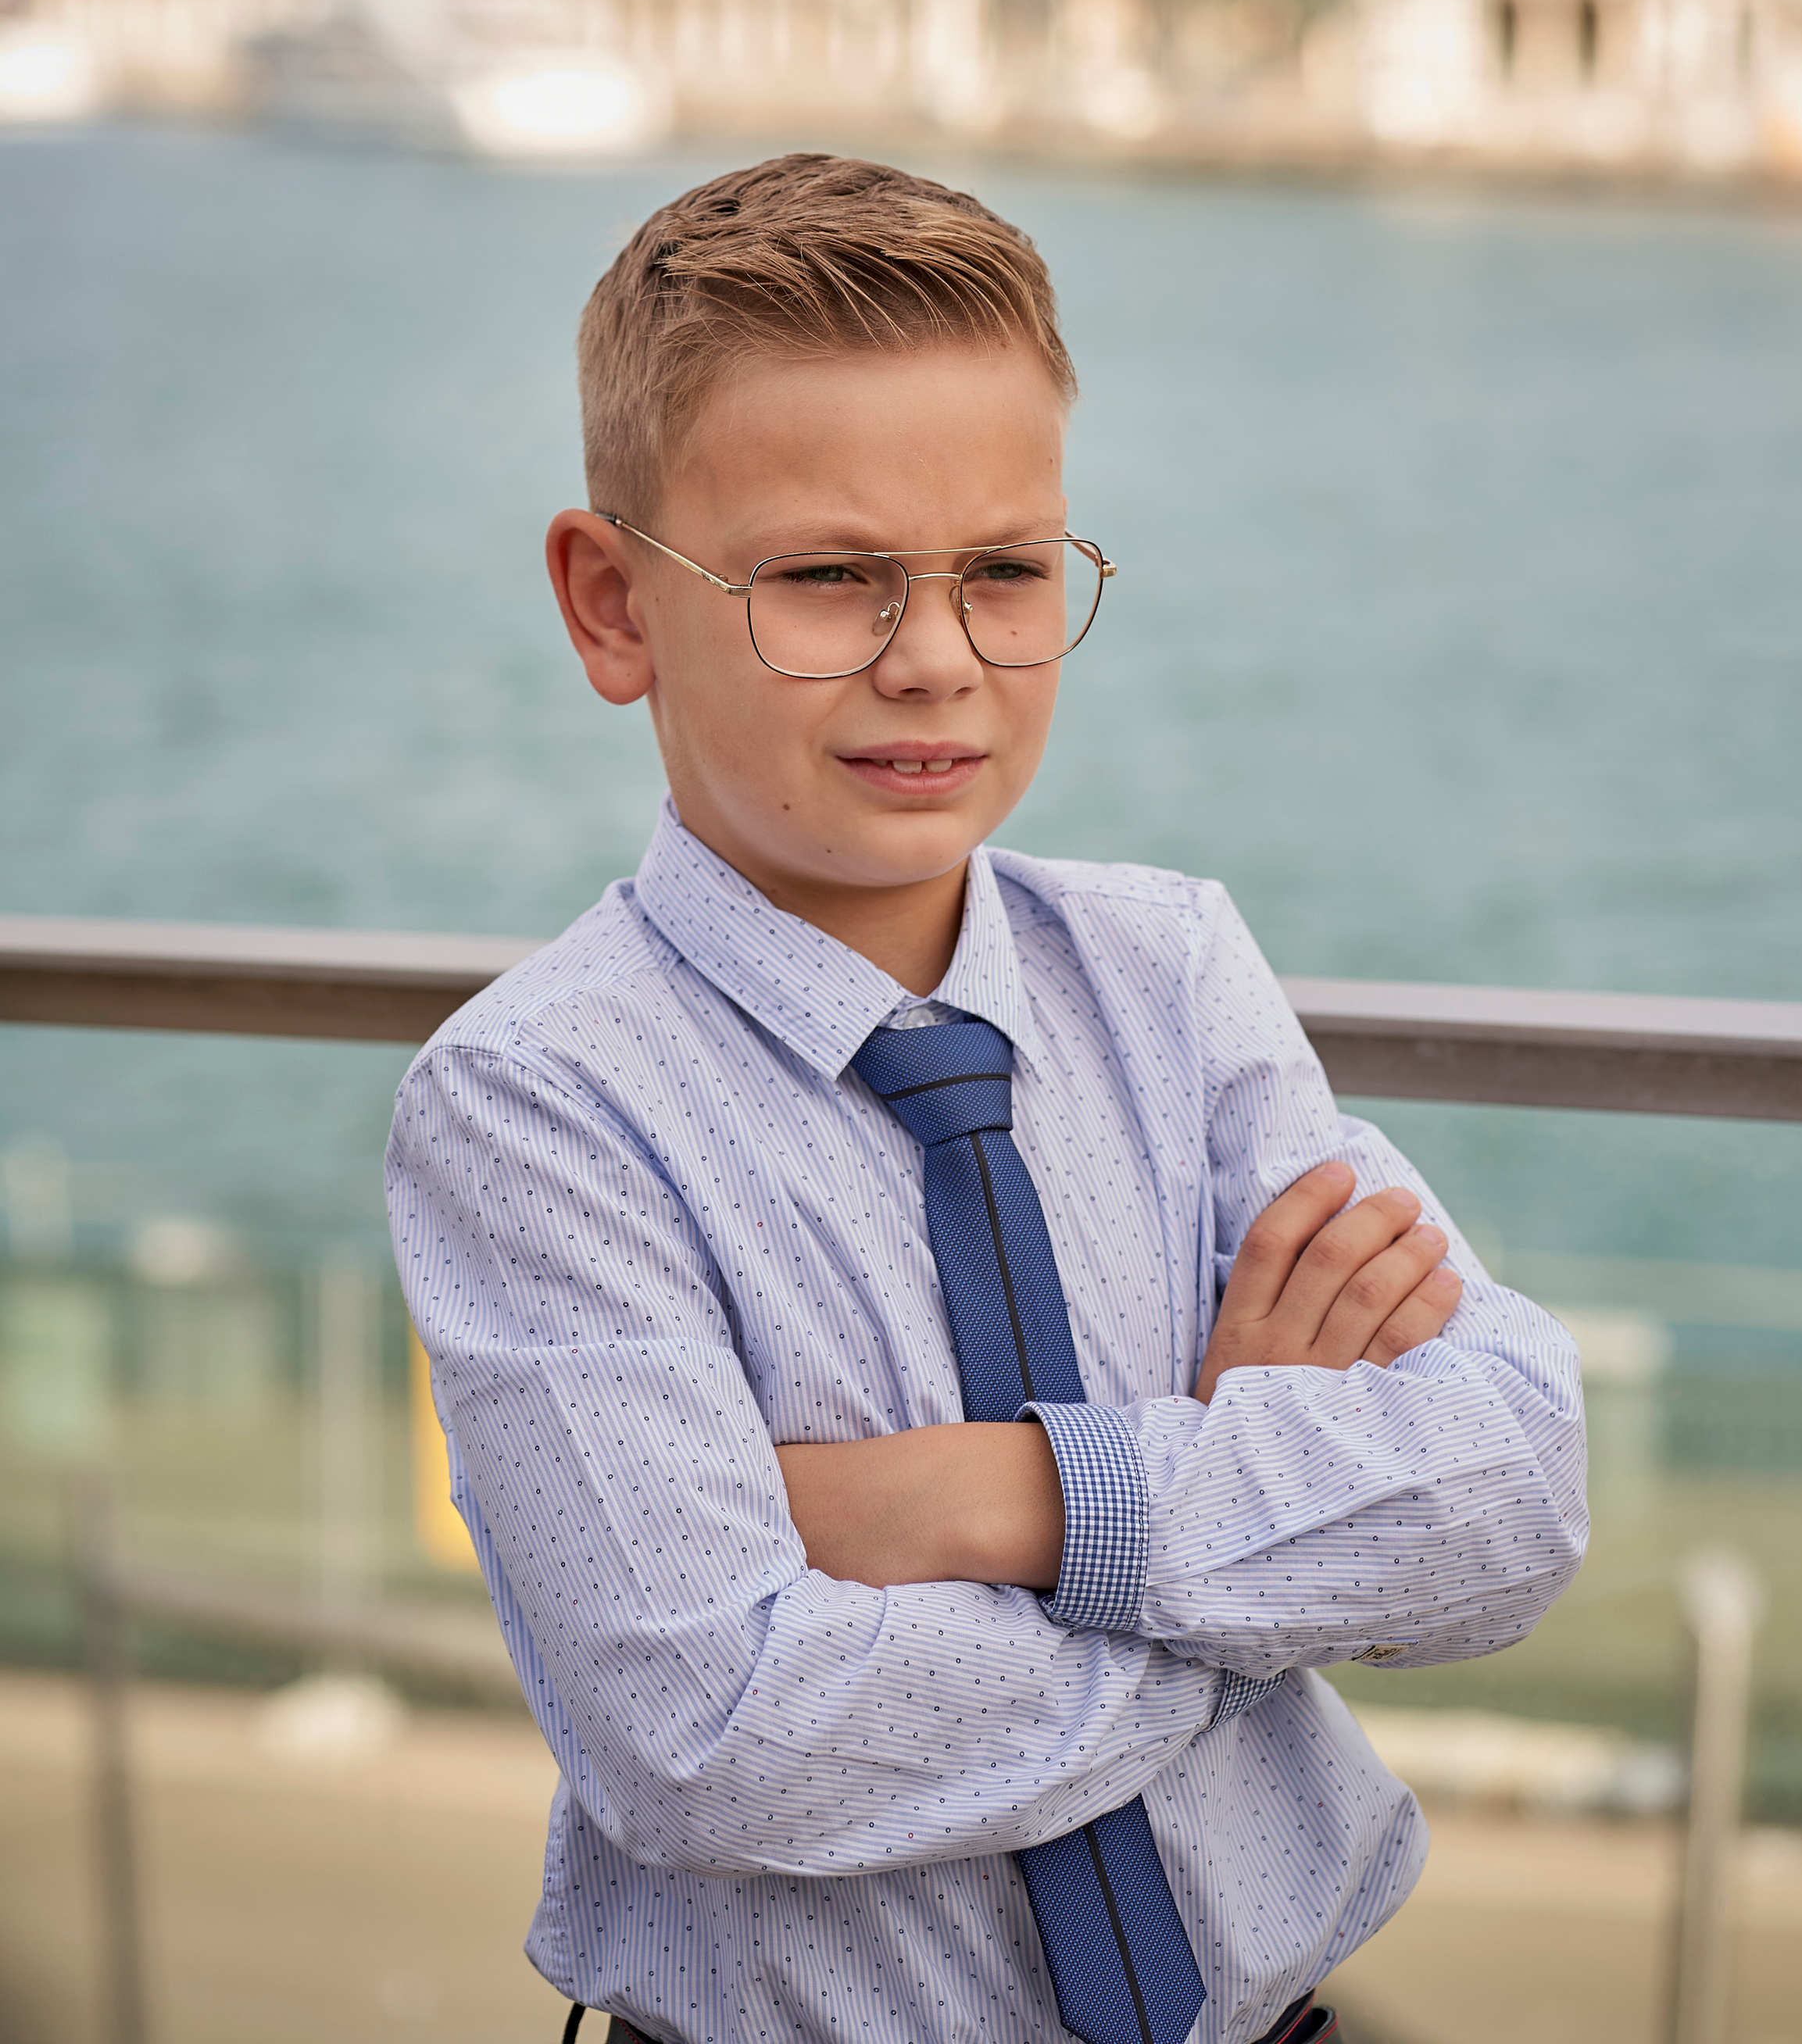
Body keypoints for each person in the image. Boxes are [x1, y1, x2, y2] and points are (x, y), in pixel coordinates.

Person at [387, 152, 1586, 2044]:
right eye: (828, 577)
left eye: (1004, 571)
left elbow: (1515, 1483)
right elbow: (716, 1739)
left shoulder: (1169, 973)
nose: (933, 657)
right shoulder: (538, 1110)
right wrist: (1235, 1561)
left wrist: (992, 1498)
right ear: (612, 606)